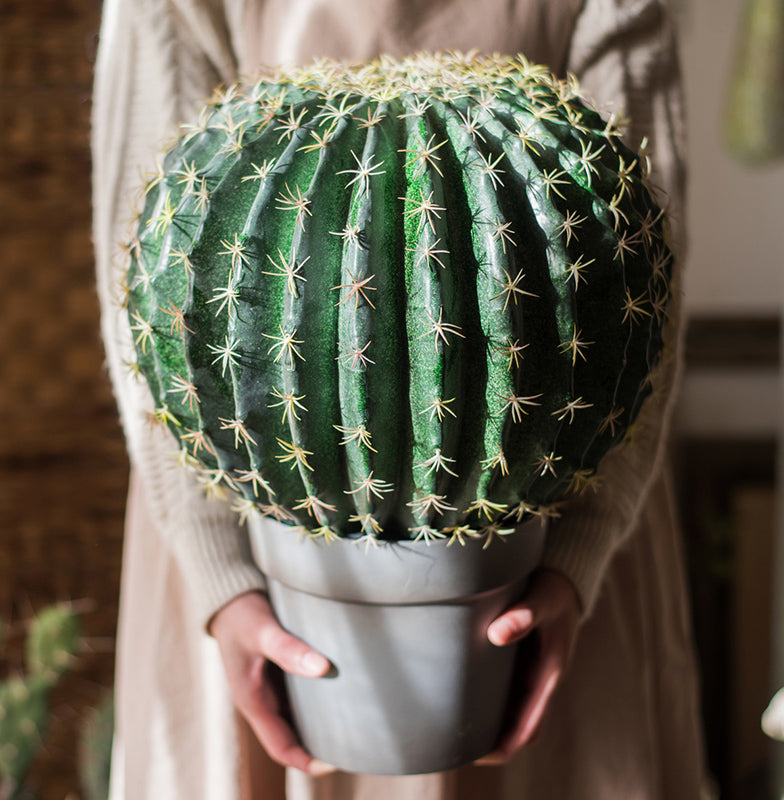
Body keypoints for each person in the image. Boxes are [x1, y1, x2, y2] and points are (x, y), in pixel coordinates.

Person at [92, 0, 714, 797]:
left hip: (557, 512)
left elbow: (644, 272)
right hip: (246, 521)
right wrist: (221, 576)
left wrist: (576, 556)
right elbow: (151, 276)